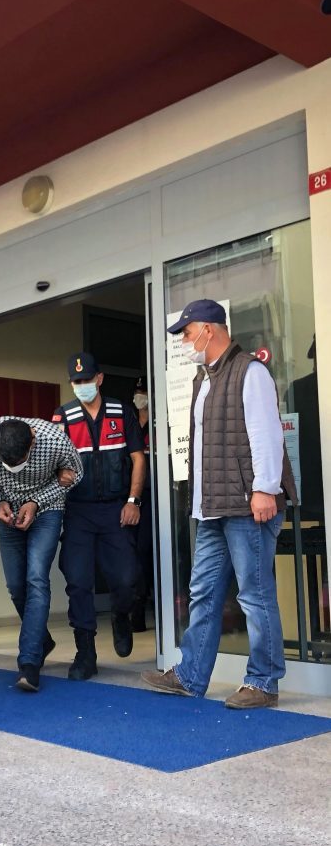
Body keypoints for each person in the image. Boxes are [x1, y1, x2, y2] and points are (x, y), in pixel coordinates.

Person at [142, 300, 297, 709]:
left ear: (209, 329)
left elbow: (266, 434)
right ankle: (190, 675)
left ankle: (263, 682)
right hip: (212, 507)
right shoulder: (204, 378)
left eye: (187, 332)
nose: (184, 341)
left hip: (248, 504)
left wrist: (265, 489)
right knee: (204, 592)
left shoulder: (250, 371)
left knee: (254, 594)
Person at [53, 353, 145, 681]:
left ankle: (121, 616)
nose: (82, 386)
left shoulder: (121, 412)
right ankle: (85, 652)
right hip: (78, 511)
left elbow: (138, 458)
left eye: (87, 380)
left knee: (126, 578)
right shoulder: (63, 417)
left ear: (99, 379)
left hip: (115, 509)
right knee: (78, 581)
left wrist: (133, 500)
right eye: (76, 381)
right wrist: (60, 474)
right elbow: (53, 464)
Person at [0, 417, 83, 691]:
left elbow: (76, 474)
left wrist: (36, 501)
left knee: (36, 579)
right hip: (8, 511)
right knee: (16, 586)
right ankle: (41, 640)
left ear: (33, 442)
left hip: (47, 510)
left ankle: (29, 662)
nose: (14, 469)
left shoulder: (54, 440)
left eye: (21, 462)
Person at [130, 376, 154, 632]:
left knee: (145, 550)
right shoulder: (129, 422)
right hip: (130, 496)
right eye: (138, 392)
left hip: (154, 495)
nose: (140, 396)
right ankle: (135, 607)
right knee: (133, 551)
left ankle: (142, 606)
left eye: (144, 392)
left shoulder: (159, 422)